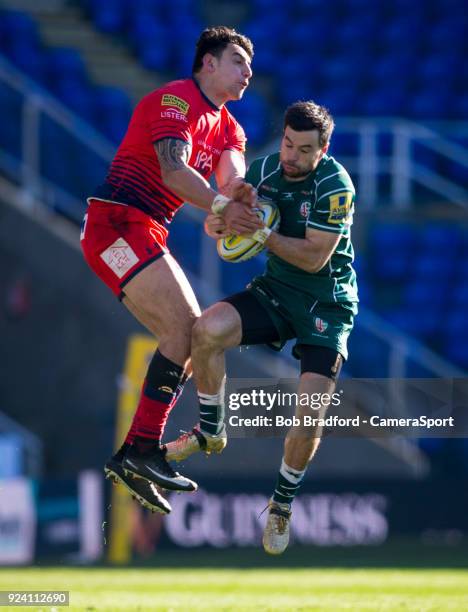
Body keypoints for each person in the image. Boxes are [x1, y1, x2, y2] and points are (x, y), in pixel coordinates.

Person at [80, 26, 262, 515]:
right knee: (186, 330)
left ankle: (137, 452)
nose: (248, 72)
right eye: (238, 62)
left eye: (249, 65)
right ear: (208, 63)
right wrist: (223, 206)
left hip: (146, 232)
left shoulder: (231, 128)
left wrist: (241, 203)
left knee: (189, 338)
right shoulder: (175, 101)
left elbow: (234, 177)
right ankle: (139, 451)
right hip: (114, 227)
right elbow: (173, 172)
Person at [164, 101, 358, 553]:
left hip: (327, 306)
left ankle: (281, 506)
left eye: (303, 150)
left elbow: (315, 257)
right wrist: (222, 223)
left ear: (323, 150)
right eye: (288, 142)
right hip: (275, 291)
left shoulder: (335, 184)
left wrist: (261, 235)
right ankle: (211, 430)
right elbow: (226, 235)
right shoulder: (267, 169)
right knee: (205, 330)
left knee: (309, 414)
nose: (291, 155)